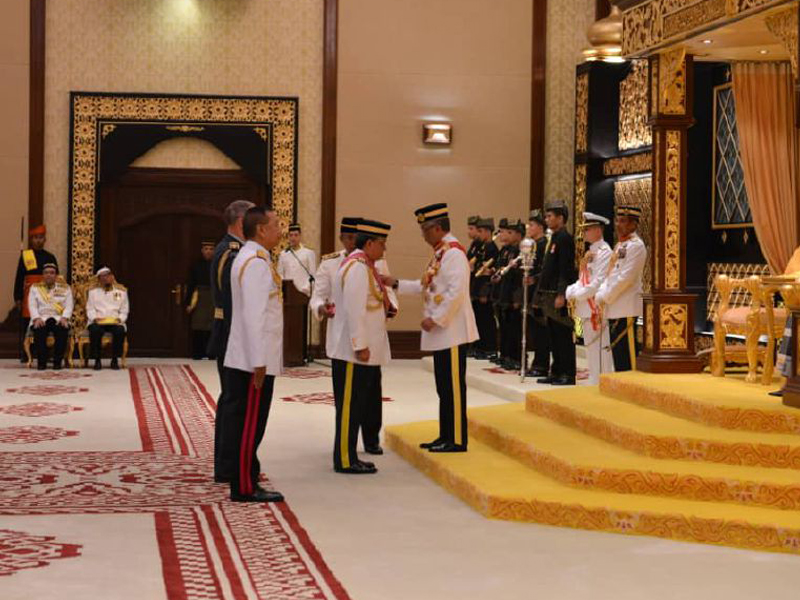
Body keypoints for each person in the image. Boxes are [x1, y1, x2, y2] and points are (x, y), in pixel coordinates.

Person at [385, 203, 479, 453]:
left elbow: (456, 293)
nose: (422, 235)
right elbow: (426, 286)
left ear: (437, 228)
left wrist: (436, 318)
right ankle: (445, 434)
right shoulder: (441, 253)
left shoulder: (454, 254)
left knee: (453, 388)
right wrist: (395, 283)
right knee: (443, 387)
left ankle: (456, 438)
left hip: (452, 331)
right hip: (443, 333)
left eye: (425, 230)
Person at [311, 217, 398, 455]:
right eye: (348, 237)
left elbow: (384, 292)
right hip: (353, 342)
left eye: (354, 237)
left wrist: (391, 307)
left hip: (370, 339)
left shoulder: (371, 263)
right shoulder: (345, 265)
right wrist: (322, 308)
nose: (351, 241)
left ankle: (369, 438)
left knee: (369, 393)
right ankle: (346, 454)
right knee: (350, 399)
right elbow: (347, 306)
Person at [221, 206, 284, 503]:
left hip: (248, 356)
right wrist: (260, 361)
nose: (281, 230)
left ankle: (247, 476)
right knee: (249, 425)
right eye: (277, 224)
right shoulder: (256, 262)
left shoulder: (251, 256)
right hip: (253, 361)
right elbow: (254, 315)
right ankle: (245, 485)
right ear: (261, 229)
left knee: (248, 422)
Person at [208, 199, 254, 484]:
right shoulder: (232, 253)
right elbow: (233, 300)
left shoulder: (233, 249)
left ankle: (229, 464)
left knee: (232, 400)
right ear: (240, 222)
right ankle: (229, 465)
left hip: (230, 331)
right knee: (234, 401)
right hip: (231, 332)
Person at [595, 205, 647, 372]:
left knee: (627, 354)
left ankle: (630, 383)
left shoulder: (636, 246)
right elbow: (611, 273)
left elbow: (626, 278)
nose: (618, 224)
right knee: (617, 353)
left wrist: (605, 296)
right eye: (617, 220)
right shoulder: (620, 245)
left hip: (626, 306)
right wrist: (601, 293)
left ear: (634, 224)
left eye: (623, 221)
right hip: (614, 305)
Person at [566, 212, 614, 384]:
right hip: (586, 307)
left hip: (596, 307)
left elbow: (598, 282)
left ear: (598, 230)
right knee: (591, 349)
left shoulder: (605, 252)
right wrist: (570, 290)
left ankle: (603, 381)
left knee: (600, 349)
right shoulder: (590, 252)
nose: (584, 233)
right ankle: (594, 381)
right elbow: (583, 279)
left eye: (587, 229)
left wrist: (577, 295)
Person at [535, 200, 577, 386]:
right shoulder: (554, 237)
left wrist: (562, 293)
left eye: (550, 216)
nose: (547, 219)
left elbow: (565, 269)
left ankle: (567, 373)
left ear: (561, 218)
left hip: (558, 293)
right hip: (549, 292)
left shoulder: (564, 239)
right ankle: (556, 370)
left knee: (563, 334)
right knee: (553, 334)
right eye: (546, 216)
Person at [13, 224, 58, 361]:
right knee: (29, 322)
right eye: (35, 238)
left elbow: (57, 277)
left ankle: (44, 353)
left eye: (41, 237)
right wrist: (18, 297)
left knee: (45, 320)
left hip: (46, 293)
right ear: (32, 240)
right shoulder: (26, 256)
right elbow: (19, 277)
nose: (38, 240)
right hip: (29, 293)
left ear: (45, 239)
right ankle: (27, 353)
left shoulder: (50, 257)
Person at [28, 263, 73, 370]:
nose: (49, 275)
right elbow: (32, 305)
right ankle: (41, 362)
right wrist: (36, 318)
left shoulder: (65, 288)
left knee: (62, 330)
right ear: (43, 275)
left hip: (58, 318)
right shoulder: (35, 288)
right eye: (46, 273)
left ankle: (57, 362)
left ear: (56, 275)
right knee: (39, 331)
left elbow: (69, 305)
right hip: (41, 317)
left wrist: (65, 317)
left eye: (52, 273)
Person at [86, 267, 129, 371]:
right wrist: (95, 319)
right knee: (95, 330)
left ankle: (115, 359)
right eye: (103, 277)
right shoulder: (93, 292)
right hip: (98, 320)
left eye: (108, 275)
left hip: (114, 321)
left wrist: (120, 319)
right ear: (99, 279)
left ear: (112, 277)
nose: (106, 278)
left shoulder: (121, 292)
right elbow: (90, 309)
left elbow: (124, 310)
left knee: (119, 331)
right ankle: (97, 360)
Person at [525, 209, 551, 377]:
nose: (529, 227)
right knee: (534, 329)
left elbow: (546, 270)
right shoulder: (533, 245)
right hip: (531, 291)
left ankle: (542, 364)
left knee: (541, 330)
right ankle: (537, 362)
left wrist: (534, 278)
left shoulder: (544, 245)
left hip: (540, 292)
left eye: (532, 225)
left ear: (541, 227)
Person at [498, 220, 524, 372]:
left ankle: (517, 358)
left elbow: (519, 278)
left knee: (515, 329)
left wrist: (517, 298)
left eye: (510, 232)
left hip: (515, 293)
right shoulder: (508, 250)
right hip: (506, 292)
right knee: (507, 327)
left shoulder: (521, 251)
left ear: (519, 235)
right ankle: (507, 355)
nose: (507, 235)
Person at [471, 218, 498, 359]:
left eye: (480, 231)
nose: (478, 234)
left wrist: (484, 293)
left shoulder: (492, 249)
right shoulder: (481, 247)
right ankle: (480, 347)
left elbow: (489, 275)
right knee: (479, 320)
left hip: (485, 290)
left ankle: (489, 348)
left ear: (488, 232)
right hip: (477, 287)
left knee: (486, 320)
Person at [489, 219, 514, 365]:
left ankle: (512, 356)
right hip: (500, 292)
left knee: (511, 329)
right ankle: (504, 354)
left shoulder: (515, 250)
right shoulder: (504, 250)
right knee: (503, 327)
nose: (501, 235)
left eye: (505, 232)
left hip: (510, 294)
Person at [185, 241, 215, 360]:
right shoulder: (196, 266)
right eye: (206, 249)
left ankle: (211, 353)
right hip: (200, 297)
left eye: (211, 249)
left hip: (213, 297)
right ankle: (198, 353)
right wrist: (188, 302)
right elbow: (191, 284)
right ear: (202, 250)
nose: (208, 251)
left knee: (212, 326)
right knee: (198, 325)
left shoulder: (217, 265)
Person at [277, 223, 317, 296]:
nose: (293, 238)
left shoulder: (308, 253)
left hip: (304, 293)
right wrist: (285, 288)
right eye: (291, 235)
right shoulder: (283, 254)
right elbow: (280, 274)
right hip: (288, 294)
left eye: (296, 235)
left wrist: (305, 289)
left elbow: (312, 275)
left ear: (300, 236)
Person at [466, 215, 482, 358]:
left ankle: (480, 347)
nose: (469, 232)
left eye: (472, 229)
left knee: (481, 319)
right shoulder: (474, 245)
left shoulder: (482, 246)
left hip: (479, 285)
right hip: (471, 283)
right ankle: (473, 346)